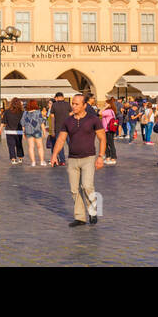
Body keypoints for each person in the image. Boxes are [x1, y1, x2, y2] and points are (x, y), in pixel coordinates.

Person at [48, 93, 106, 227]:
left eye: (76, 104)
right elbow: (61, 139)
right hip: (73, 159)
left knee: (87, 186)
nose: (73, 106)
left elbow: (102, 138)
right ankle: (80, 217)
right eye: (72, 103)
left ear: (84, 105)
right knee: (74, 189)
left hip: (89, 158)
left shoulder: (93, 119)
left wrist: (101, 157)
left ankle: (92, 211)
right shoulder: (68, 121)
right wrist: (54, 154)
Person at [21, 99, 46, 166]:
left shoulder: (25, 113)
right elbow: (41, 123)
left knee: (31, 147)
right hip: (37, 130)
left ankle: (33, 162)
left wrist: (23, 133)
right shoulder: (38, 112)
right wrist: (44, 132)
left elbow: (22, 123)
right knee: (40, 146)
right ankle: (42, 161)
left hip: (28, 131)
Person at [3, 98, 25, 163]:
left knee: (11, 145)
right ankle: (20, 157)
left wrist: (0, 128)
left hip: (9, 131)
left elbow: (4, 121)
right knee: (19, 144)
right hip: (19, 131)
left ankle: (13, 159)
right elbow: (23, 122)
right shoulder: (21, 112)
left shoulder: (7, 111)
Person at [100, 97, 120, 164]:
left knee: (110, 144)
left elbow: (99, 113)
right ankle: (108, 157)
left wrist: (105, 107)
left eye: (105, 103)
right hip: (109, 130)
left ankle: (113, 158)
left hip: (108, 130)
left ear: (109, 105)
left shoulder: (108, 111)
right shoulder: (112, 111)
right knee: (107, 144)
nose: (104, 104)